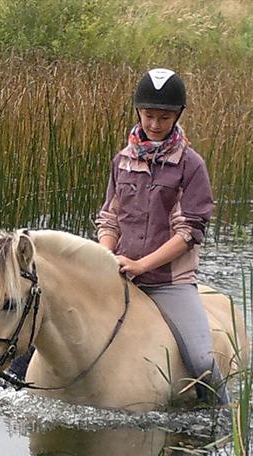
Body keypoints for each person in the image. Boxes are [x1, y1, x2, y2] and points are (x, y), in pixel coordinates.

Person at [94, 67, 227, 405]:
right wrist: (105, 257)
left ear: (177, 115)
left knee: (202, 362)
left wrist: (141, 265)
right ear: (138, 112)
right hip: (121, 274)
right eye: (149, 115)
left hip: (169, 283)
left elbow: (188, 233)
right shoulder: (122, 161)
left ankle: (222, 421)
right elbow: (110, 219)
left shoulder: (190, 165)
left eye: (164, 117)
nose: (154, 124)